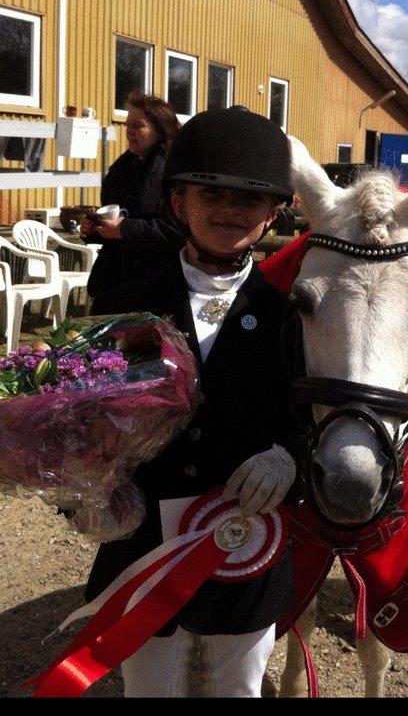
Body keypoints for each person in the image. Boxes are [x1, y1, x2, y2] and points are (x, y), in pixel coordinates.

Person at [84, 106, 303, 697]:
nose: (230, 210)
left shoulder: (292, 319)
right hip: (142, 548)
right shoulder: (125, 307)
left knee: (237, 690)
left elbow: (313, 420)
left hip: (244, 553)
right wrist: (80, 492)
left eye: (249, 200)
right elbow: (83, 422)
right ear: (178, 204)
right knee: (149, 689)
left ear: (273, 213)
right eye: (212, 193)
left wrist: (290, 458)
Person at [80, 91, 183, 314]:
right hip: (113, 279)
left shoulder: (172, 174)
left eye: (138, 126)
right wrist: (94, 228)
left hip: (153, 284)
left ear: (159, 128)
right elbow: (116, 222)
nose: (130, 133)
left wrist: (124, 229)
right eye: (128, 126)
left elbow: (177, 232)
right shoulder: (122, 168)